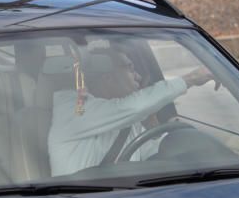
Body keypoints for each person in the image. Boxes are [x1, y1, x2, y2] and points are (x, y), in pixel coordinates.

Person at [47, 47, 211, 176]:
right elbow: (133, 107)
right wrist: (193, 78)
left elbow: (151, 155)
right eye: (130, 69)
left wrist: (167, 132)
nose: (138, 77)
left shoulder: (128, 123)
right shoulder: (73, 108)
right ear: (108, 78)